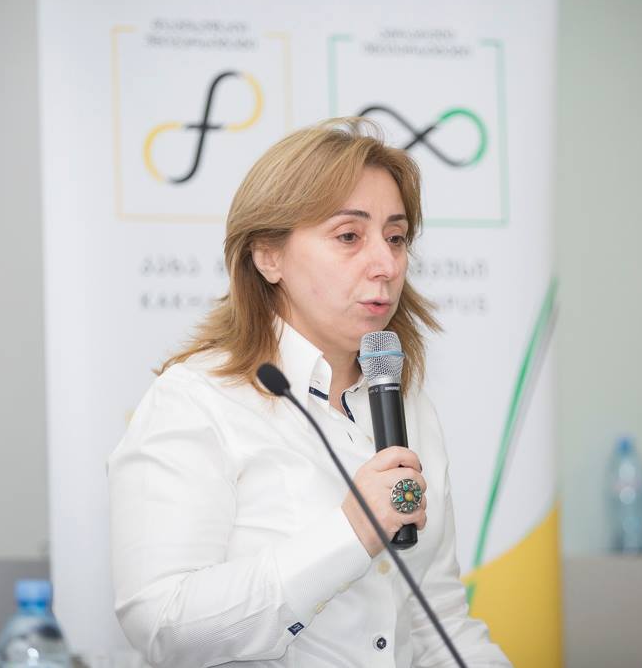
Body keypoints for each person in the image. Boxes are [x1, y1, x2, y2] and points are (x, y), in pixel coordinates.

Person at [108, 118, 511, 667]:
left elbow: (434, 618)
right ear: (268, 255)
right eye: (349, 236)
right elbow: (162, 625)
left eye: (395, 238)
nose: (386, 264)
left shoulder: (407, 402)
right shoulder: (197, 400)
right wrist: (351, 533)